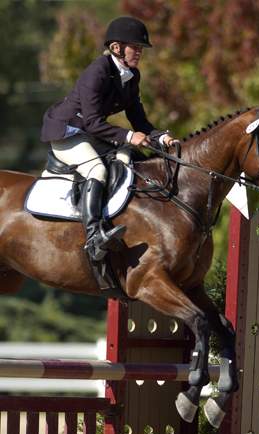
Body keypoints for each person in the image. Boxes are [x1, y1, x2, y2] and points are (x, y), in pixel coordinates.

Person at [41, 16, 177, 261]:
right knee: (97, 171)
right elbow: (94, 122)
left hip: (90, 133)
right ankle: (93, 238)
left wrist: (160, 138)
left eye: (140, 48)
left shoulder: (132, 75)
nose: (139, 52)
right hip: (67, 131)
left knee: (130, 157)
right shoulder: (97, 72)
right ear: (116, 48)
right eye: (135, 47)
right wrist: (127, 135)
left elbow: (139, 121)